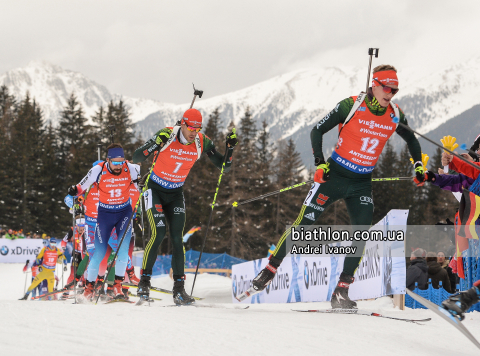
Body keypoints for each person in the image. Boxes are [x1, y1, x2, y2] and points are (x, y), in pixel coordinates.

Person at [248, 65, 424, 308]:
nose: (390, 94)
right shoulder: (351, 105)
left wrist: (418, 166)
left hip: (361, 183)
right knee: (304, 224)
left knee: (361, 233)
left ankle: (341, 291)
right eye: (386, 88)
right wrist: (320, 164)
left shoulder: (395, 114)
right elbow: (317, 130)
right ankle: (270, 269)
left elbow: (412, 140)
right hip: (334, 176)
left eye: (394, 90)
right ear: (374, 84)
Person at [132, 108, 238, 305]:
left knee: (177, 238)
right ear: (182, 123)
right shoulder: (166, 134)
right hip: (154, 189)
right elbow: (137, 157)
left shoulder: (202, 141)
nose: (193, 132)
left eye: (197, 128)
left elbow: (224, 166)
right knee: (159, 232)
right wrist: (156, 143)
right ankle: (144, 283)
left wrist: (230, 149)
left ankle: (179, 290)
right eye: (190, 127)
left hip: (175, 193)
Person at [67, 143, 140, 300]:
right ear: (108, 160)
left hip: (124, 214)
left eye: (122, 161)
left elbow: (141, 184)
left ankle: (118, 287)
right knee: (98, 254)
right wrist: (74, 191)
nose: (119, 165)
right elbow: (80, 187)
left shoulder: (131, 168)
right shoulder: (98, 170)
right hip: (104, 215)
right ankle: (89, 288)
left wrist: (143, 184)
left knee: (122, 251)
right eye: (116, 162)